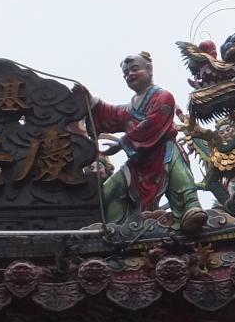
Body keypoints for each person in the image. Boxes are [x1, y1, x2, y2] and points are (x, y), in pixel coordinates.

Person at [73, 52, 205, 232]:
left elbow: (152, 123)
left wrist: (122, 143)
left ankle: (190, 209)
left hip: (164, 151)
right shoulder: (130, 108)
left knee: (180, 178)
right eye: (126, 73)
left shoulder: (164, 96)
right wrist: (90, 100)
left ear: (149, 69)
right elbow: (111, 114)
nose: (130, 75)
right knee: (108, 192)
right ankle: (118, 225)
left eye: (134, 69)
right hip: (139, 161)